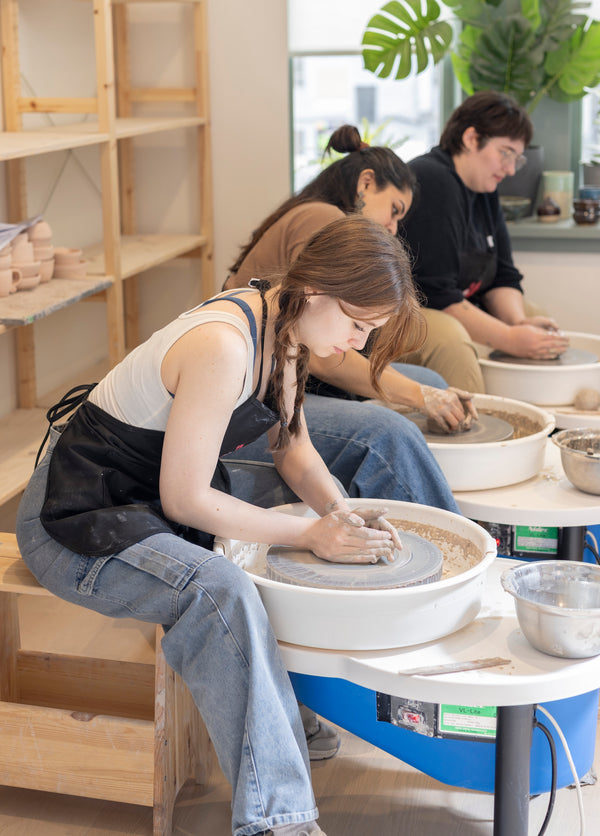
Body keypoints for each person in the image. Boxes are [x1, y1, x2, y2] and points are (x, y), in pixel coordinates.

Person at [17, 218, 428, 836]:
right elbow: (185, 499)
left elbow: (293, 450)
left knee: (299, 524)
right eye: (357, 324)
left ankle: (279, 710)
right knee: (219, 589)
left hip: (141, 503)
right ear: (315, 289)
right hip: (75, 519)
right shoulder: (224, 344)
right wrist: (309, 534)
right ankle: (278, 821)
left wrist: (337, 514)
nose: (357, 343)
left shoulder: (285, 328)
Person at [224, 125, 472, 515]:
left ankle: (436, 515)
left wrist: (424, 392)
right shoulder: (324, 220)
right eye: (394, 210)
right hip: (246, 395)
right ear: (366, 183)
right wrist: (418, 396)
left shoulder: (326, 219)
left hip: (284, 372)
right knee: (389, 434)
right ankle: (446, 538)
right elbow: (324, 358)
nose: (394, 228)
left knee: (431, 383)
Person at [399, 90, 570, 393]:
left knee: (534, 316)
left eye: (517, 159)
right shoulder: (433, 179)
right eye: (505, 153)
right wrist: (509, 338)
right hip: (402, 312)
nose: (510, 169)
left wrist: (517, 323)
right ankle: (475, 419)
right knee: (451, 338)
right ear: (471, 138)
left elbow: (503, 274)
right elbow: (435, 295)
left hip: (450, 303)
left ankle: (530, 415)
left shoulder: (484, 189)